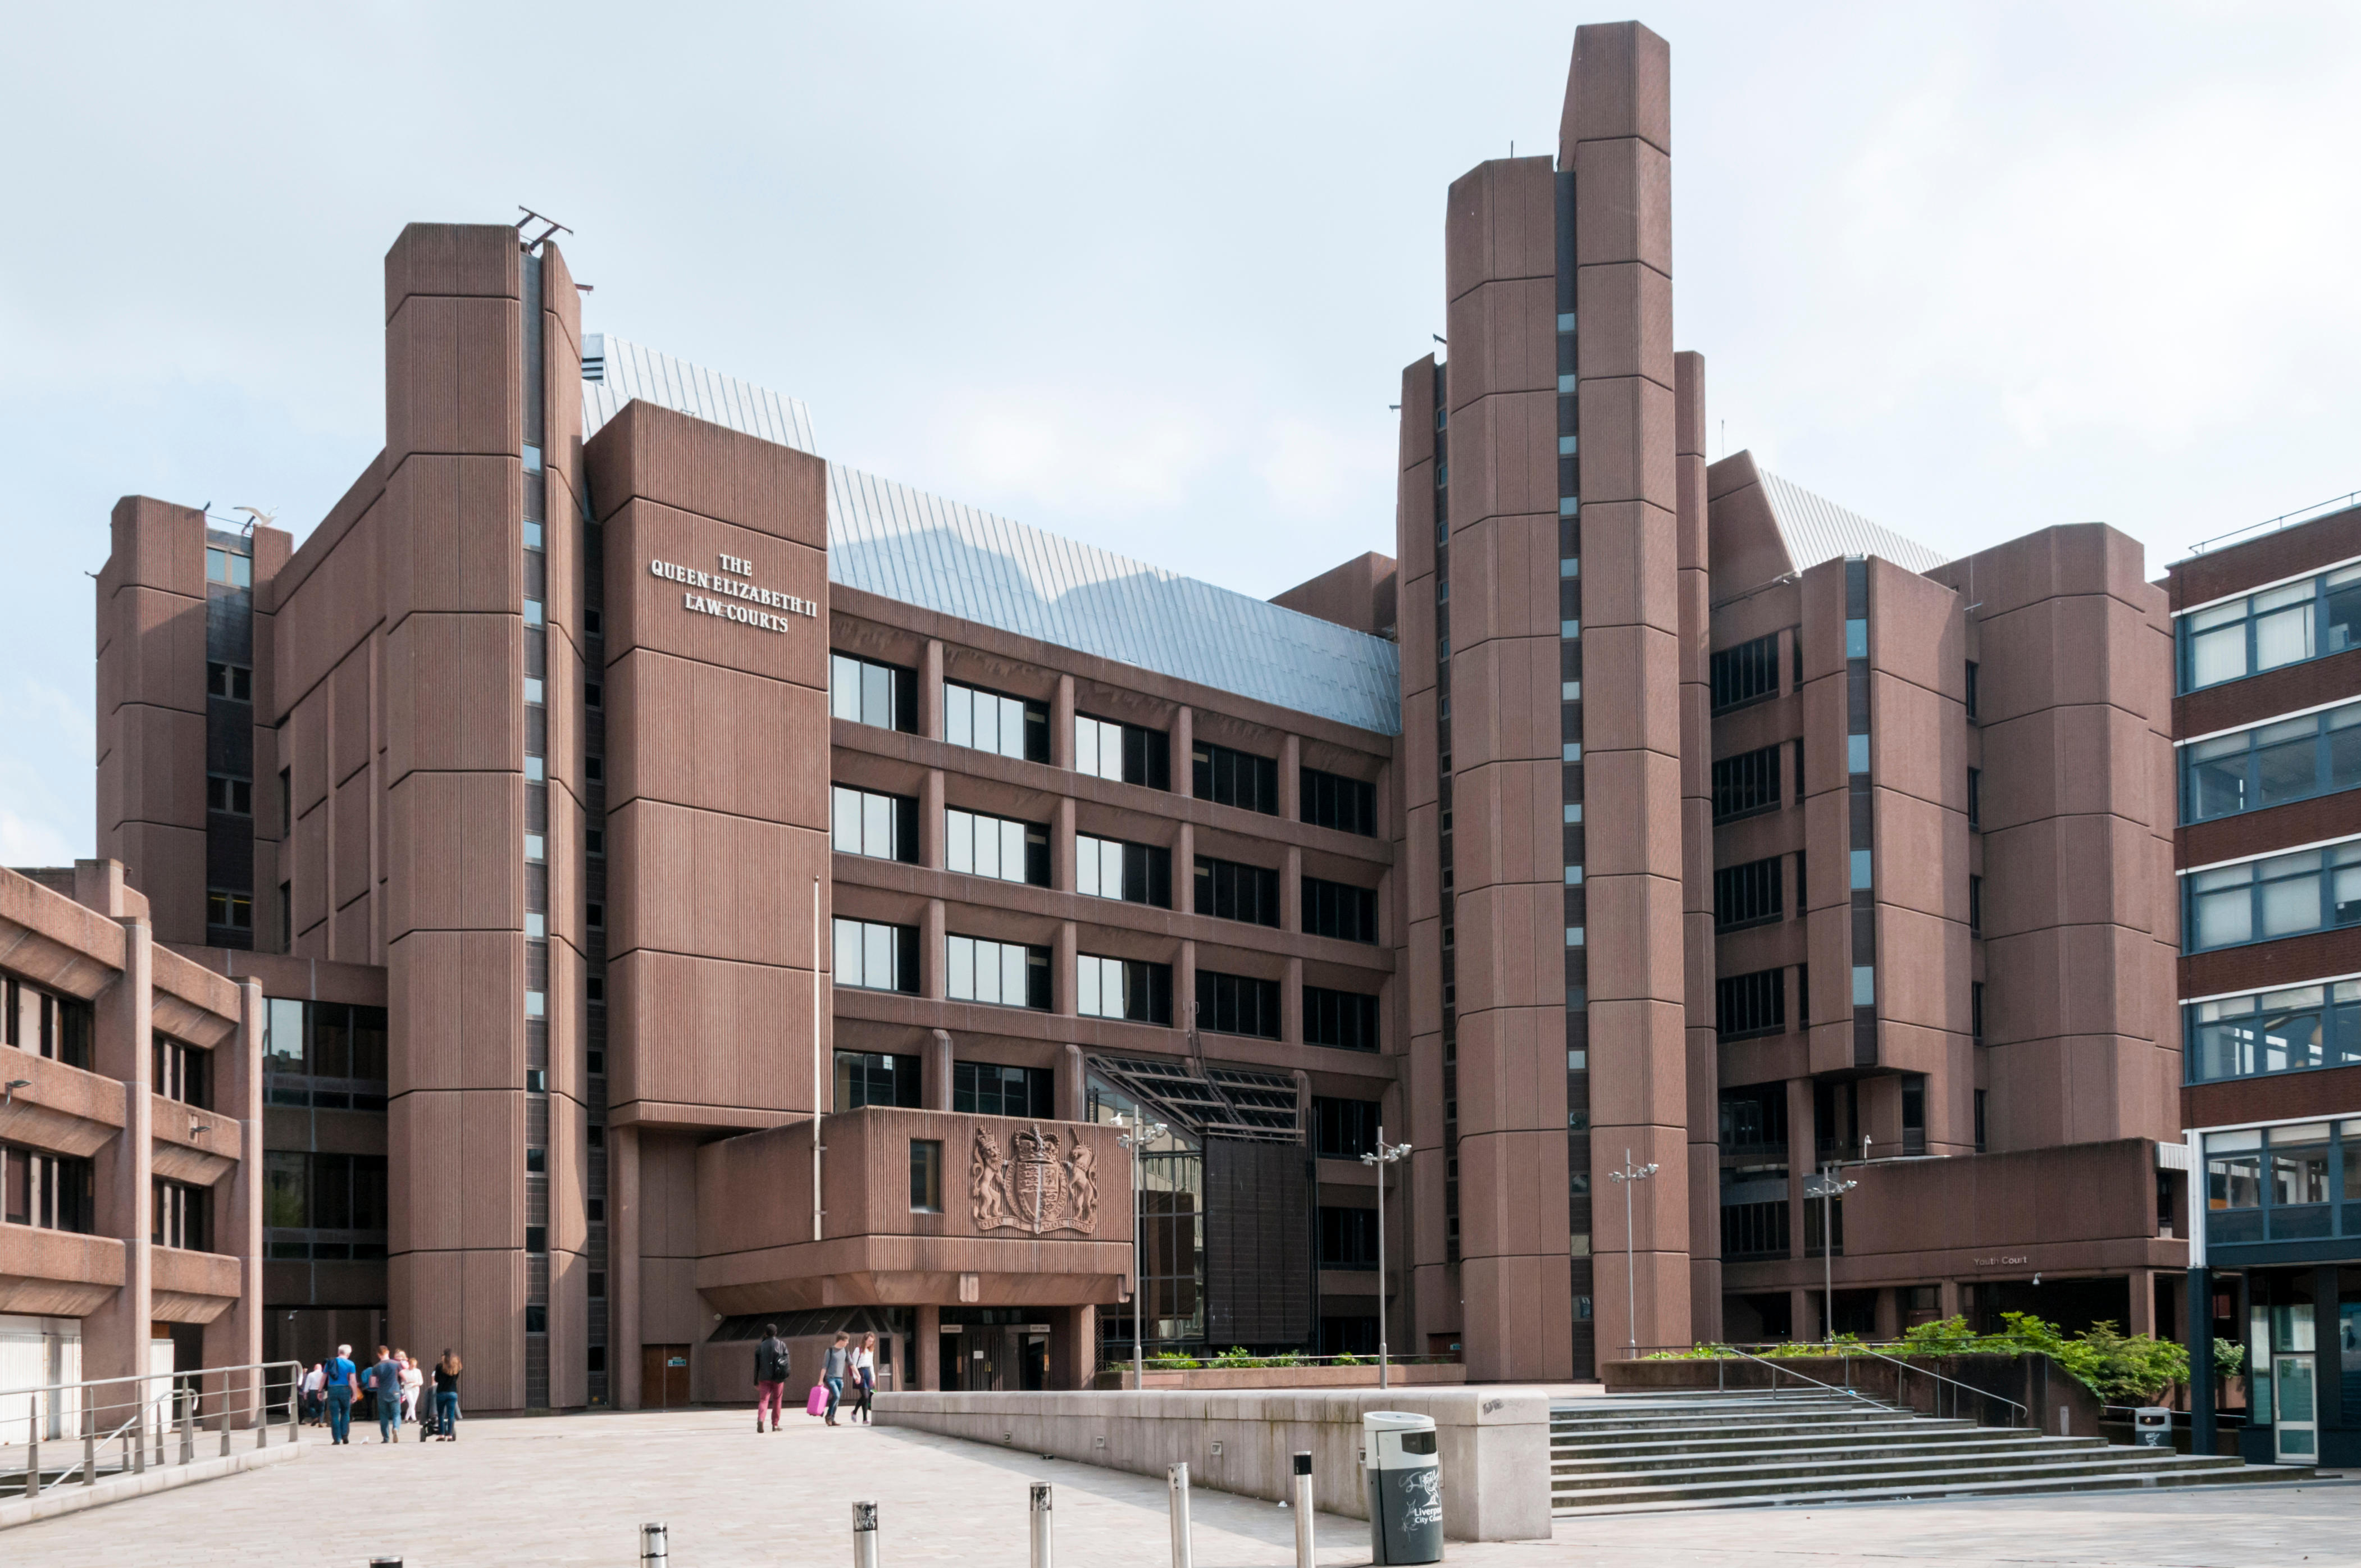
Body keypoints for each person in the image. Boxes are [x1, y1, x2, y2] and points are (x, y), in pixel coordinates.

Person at [753, 1324, 792, 1434]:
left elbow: (757, 1366)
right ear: (776, 1333)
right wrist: (786, 1375)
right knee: (777, 1400)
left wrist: (755, 1381)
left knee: (764, 1400)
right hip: (778, 1378)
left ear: (765, 1333)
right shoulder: (781, 1344)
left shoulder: (760, 1347)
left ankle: (761, 1420)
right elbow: (787, 1362)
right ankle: (775, 1425)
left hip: (764, 1377)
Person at [325, 1344, 358, 1444]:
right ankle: (345, 1435)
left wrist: (319, 1391)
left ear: (339, 1352)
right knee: (345, 1413)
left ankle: (336, 1439)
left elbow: (323, 1378)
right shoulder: (351, 1364)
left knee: (334, 1415)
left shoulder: (330, 1363)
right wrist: (355, 1394)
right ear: (348, 1354)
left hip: (332, 1389)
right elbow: (353, 1381)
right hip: (345, 1389)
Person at [371, 1345, 404, 1443]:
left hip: (382, 1393)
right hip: (395, 1391)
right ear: (388, 1353)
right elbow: (405, 1377)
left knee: (384, 1416)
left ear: (378, 1355)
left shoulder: (376, 1367)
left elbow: (373, 1383)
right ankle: (396, 1428)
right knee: (396, 1414)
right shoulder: (396, 1364)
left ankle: (386, 1438)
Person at [432, 1351, 462, 1442]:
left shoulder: (439, 1366)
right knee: (451, 1415)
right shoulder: (457, 1367)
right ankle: (450, 1435)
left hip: (441, 1392)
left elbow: (436, 1379)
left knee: (441, 1414)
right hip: (452, 1392)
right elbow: (456, 1379)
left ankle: (441, 1435)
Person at [822, 1332, 850, 1427]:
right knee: (837, 1396)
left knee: (837, 1399)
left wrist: (857, 1375)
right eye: (846, 1341)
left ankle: (833, 1419)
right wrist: (820, 1380)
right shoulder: (830, 1351)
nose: (848, 1343)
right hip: (830, 1378)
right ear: (841, 1341)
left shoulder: (845, 1351)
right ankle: (829, 1416)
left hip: (840, 1379)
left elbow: (851, 1364)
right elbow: (824, 1367)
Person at [851, 1332, 877, 1425]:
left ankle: (865, 1419)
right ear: (865, 1340)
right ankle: (854, 1412)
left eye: (872, 1341)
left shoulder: (871, 1351)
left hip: (868, 1373)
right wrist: (856, 1377)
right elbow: (853, 1364)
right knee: (865, 1395)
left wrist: (873, 1377)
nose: (871, 1343)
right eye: (869, 1341)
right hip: (860, 1372)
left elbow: (871, 1365)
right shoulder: (858, 1350)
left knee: (867, 1397)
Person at [398, 1351, 423, 1435]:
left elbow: (421, 1381)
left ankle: (406, 1418)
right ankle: (414, 1418)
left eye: (415, 1366)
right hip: (408, 1389)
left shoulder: (418, 1371)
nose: (413, 1367)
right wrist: (408, 1382)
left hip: (416, 1389)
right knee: (412, 1403)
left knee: (413, 1404)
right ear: (409, 1364)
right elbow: (402, 1382)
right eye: (412, 1365)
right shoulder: (405, 1372)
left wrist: (417, 1384)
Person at [300, 1361, 326, 1426]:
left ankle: (315, 1417)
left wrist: (305, 1393)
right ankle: (321, 1421)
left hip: (312, 1391)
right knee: (322, 1408)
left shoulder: (310, 1374)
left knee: (311, 1406)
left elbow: (307, 1385)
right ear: (321, 1369)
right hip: (321, 1391)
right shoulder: (324, 1374)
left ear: (315, 1368)